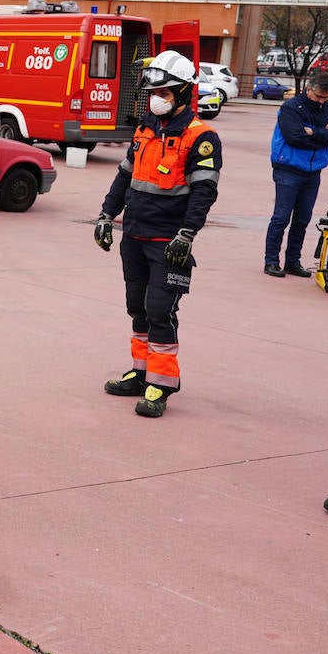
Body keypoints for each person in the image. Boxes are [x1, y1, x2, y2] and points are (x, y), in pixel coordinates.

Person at [94, 51, 222, 418]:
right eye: (154, 91)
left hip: (169, 241)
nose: (156, 97)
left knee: (160, 310)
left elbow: (204, 192)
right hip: (134, 234)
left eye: (164, 91)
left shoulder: (202, 136)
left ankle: (161, 385)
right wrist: (106, 214)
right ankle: (140, 372)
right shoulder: (146, 128)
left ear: (181, 93)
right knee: (137, 308)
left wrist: (187, 234)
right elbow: (124, 176)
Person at [263, 70, 328, 277]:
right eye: (319, 96)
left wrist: (314, 132)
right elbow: (294, 137)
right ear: (308, 89)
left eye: (327, 97)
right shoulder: (291, 108)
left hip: (314, 171)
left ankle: (292, 261)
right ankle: (271, 261)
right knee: (281, 217)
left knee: (303, 218)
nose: (323, 101)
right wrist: (325, 135)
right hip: (288, 168)